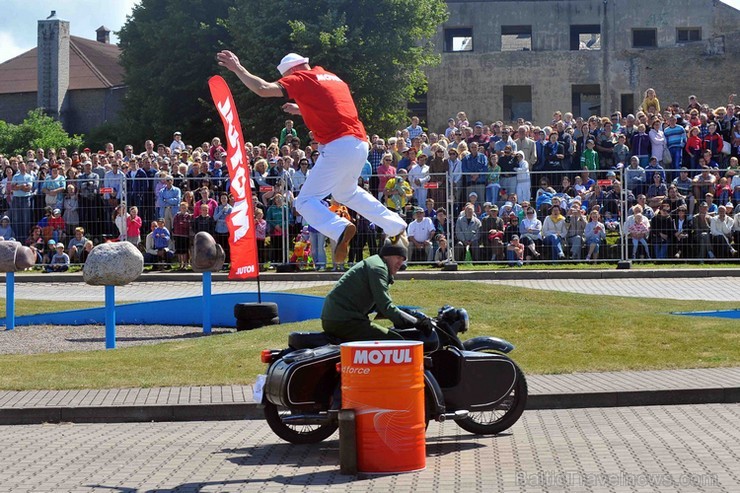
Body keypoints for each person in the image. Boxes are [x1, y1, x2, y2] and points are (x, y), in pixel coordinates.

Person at [217, 50, 407, 266]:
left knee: (305, 201)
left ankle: (340, 227)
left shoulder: (300, 78)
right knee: (346, 192)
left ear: (293, 70)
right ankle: (395, 226)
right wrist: (301, 110)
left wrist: (237, 68)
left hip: (338, 146)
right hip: (359, 144)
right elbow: (331, 107)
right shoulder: (332, 78)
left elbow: (262, 89)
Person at [321, 236, 428, 341]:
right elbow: (385, 306)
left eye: (403, 259)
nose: (400, 263)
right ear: (387, 255)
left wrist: (407, 315)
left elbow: (381, 307)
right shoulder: (378, 269)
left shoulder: (377, 264)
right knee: (395, 340)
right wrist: (416, 322)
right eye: (398, 257)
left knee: (392, 333)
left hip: (339, 318)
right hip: (342, 320)